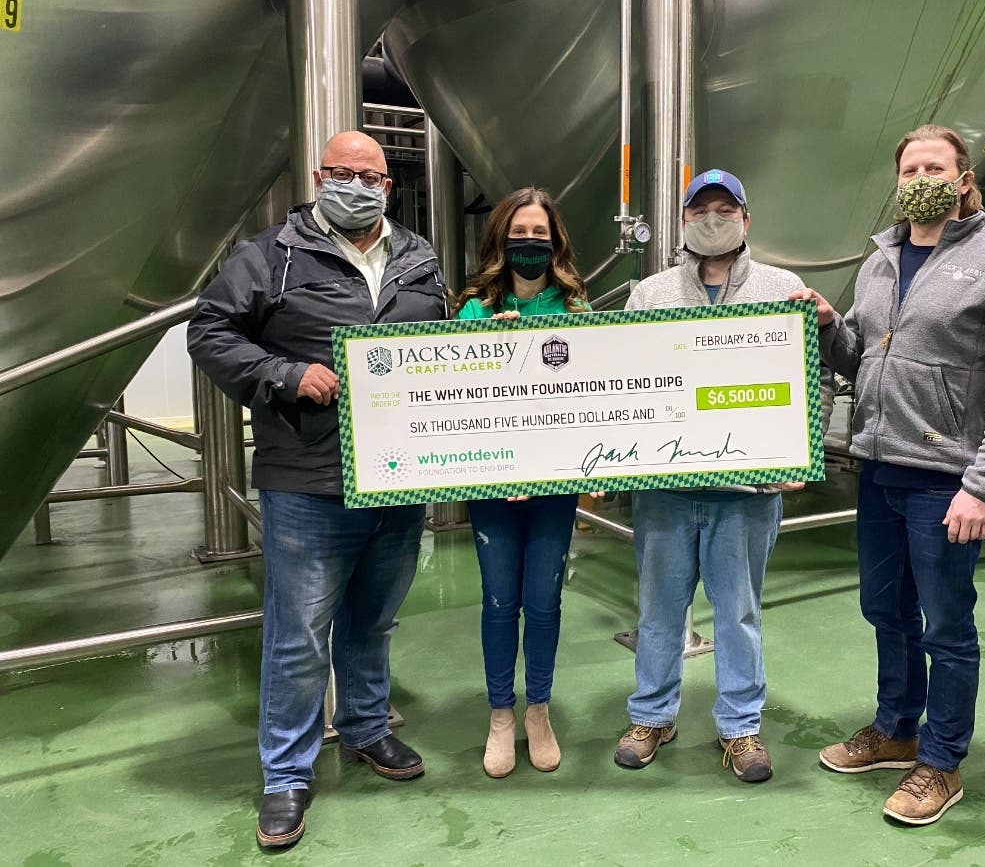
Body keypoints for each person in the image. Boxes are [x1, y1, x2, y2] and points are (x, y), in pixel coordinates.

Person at [187, 131, 448, 849]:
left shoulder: (419, 255)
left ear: (389, 187)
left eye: (372, 176)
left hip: (399, 476)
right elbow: (210, 331)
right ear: (319, 175)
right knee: (299, 634)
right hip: (309, 479)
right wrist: (283, 374)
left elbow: (447, 343)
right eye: (344, 173)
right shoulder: (271, 255)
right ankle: (286, 775)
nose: (358, 185)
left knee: (374, 619)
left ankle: (366, 729)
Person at [795, 125, 985, 825]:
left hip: (946, 477)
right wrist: (825, 325)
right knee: (885, 609)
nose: (919, 179)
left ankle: (941, 760)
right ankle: (897, 728)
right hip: (877, 467)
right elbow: (860, 357)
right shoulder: (880, 260)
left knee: (947, 625)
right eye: (909, 169)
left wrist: (983, 484)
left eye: (934, 166)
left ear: (964, 179)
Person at [613, 169, 833, 783]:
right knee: (659, 611)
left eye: (725, 207)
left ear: (746, 218)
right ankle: (653, 715)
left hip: (747, 493)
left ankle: (740, 726)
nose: (713, 218)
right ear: (683, 219)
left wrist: (801, 451)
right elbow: (620, 383)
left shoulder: (782, 288)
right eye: (700, 208)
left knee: (737, 612)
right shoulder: (650, 294)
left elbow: (807, 379)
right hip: (663, 491)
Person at [457, 188, 594, 778]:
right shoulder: (474, 310)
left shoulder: (575, 310)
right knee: (497, 603)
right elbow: (457, 404)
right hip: (491, 491)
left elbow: (597, 400)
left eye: (540, 234)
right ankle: (500, 715)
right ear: (500, 241)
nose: (529, 244)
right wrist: (490, 351)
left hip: (553, 493)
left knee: (542, 603)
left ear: (555, 241)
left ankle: (538, 709)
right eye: (520, 233)